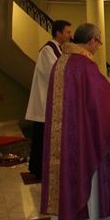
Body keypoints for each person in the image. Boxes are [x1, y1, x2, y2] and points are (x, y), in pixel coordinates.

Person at [41, 23, 110, 220]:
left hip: (65, 134)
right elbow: (99, 98)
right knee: (86, 173)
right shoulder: (85, 65)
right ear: (91, 40)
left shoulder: (61, 61)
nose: (98, 47)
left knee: (66, 175)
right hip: (83, 136)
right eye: (99, 42)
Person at [24, 20, 72, 182]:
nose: (70, 35)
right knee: (42, 138)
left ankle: (47, 169)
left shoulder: (58, 49)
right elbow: (55, 72)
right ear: (58, 33)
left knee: (47, 138)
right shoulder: (48, 50)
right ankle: (40, 170)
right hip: (46, 102)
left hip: (52, 101)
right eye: (67, 32)